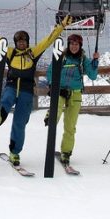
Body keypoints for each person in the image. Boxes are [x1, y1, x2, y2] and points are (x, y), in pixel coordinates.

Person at [0, 12, 71, 166]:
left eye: (24, 41)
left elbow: (48, 40)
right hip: (12, 86)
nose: (21, 43)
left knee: (19, 123)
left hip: (26, 91)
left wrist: (62, 26)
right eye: (19, 41)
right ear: (15, 42)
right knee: (6, 99)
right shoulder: (10, 52)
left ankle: (15, 153)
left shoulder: (33, 53)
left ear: (27, 42)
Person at [44, 33, 99, 167]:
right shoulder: (61, 57)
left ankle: (66, 153)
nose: (74, 47)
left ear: (80, 46)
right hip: (60, 91)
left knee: (70, 127)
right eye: (72, 44)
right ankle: (50, 114)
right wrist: (52, 85)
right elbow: (50, 72)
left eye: (77, 44)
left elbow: (92, 76)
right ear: (68, 45)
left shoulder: (83, 60)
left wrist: (95, 61)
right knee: (55, 113)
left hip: (75, 95)